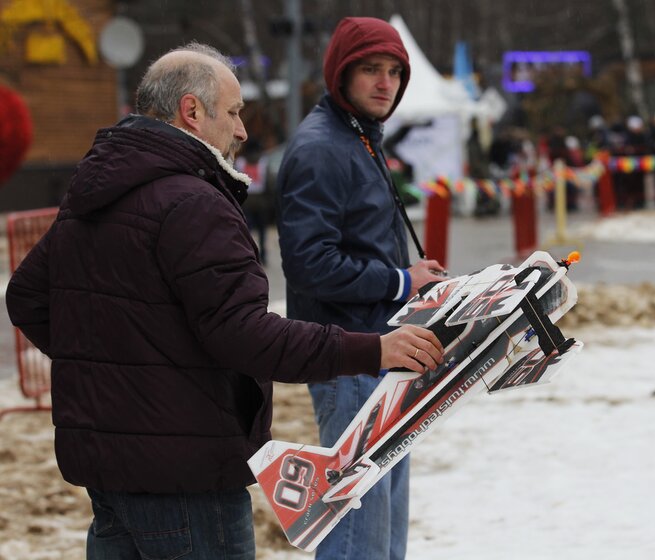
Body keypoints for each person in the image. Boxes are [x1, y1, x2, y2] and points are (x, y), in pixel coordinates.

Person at [5, 42, 443, 560]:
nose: (242, 131)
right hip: (187, 477)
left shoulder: (99, 187)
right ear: (192, 111)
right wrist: (374, 349)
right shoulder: (193, 201)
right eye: (233, 113)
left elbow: (28, 297)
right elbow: (248, 336)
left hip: (111, 472)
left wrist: (122, 375)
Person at [276, 17, 447, 560]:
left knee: (381, 531)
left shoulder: (358, 138)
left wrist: (414, 287)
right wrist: (400, 279)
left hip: (382, 351)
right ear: (341, 73)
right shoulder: (323, 147)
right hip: (348, 357)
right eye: (371, 69)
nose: (385, 83)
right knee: (358, 531)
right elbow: (308, 264)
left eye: (395, 72)